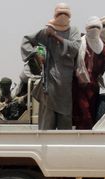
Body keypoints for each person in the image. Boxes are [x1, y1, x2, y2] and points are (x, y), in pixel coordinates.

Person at [21, 2, 81, 130]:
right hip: (49, 85)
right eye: (60, 13)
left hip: (65, 84)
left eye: (65, 13)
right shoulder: (45, 32)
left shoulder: (73, 31)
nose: (63, 15)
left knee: (65, 123)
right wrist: (35, 54)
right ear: (55, 14)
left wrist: (55, 36)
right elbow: (26, 40)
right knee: (47, 124)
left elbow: (75, 48)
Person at [72, 16, 105, 129]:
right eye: (92, 27)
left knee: (91, 114)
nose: (95, 30)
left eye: (97, 27)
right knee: (83, 115)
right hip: (78, 86)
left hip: (93, 87)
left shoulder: (103, 46)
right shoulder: (79, 41)